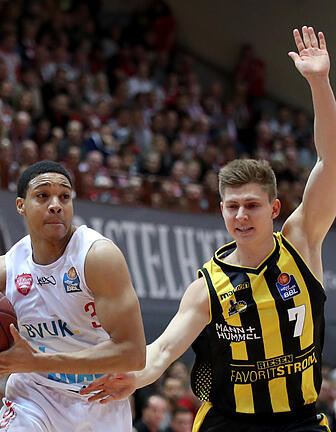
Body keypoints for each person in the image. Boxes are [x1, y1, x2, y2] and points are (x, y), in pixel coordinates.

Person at [81, 26, 336, 432]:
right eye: (232, 207)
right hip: (229, 422)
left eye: (251, 206)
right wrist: (135, 378)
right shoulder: (209, 285)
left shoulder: (302, 241)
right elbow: (163, 351)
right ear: (221, 210)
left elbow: (329, 160)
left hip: (299, 421)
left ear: (274, 208)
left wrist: (319, 82)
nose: (241, 216)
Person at [0, 160, 146, 431]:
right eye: (43, 196)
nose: (56, 204)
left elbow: (133, 354)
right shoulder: (2, 272)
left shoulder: (97, 257)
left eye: (64, 196)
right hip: (33, 397)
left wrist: (37, 361)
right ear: (21, 205)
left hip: (98, 396)